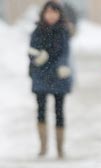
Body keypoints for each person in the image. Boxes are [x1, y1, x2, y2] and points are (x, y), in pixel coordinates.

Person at [28, 1, 72, 159]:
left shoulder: (63, 31)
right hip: (40, 75)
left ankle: (60, 148)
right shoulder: (37, 31)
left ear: (59, 14)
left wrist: (62, 66)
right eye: (48, 12)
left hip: (58, 76)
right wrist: (39, 57)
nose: (51, 15)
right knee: (41, 110)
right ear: (43, 14)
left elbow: (66, 53)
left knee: (59, 111)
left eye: (54, 12)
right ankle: (43, 146)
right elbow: (31, 51)